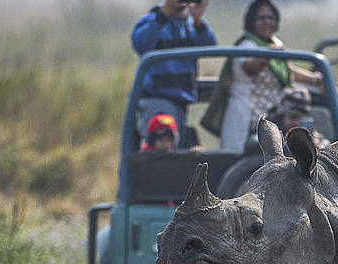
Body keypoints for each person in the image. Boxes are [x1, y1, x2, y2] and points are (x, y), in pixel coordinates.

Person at [202, 0, 322, 152]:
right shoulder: (246, 45)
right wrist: (268, 54)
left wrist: (313, 79)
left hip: (272, 119)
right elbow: (250, 68)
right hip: (245, 118)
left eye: (270, 18)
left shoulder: (275, 43)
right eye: (261, 18)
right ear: (252, 21)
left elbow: (286, 70)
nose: (267, 22)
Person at [131, 0, 217, 148]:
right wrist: (166, 12)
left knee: (176, 152)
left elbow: (210, 47)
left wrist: (197, 20)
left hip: (181, 104)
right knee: (162, 149)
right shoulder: (153, 20)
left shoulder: (190, 25)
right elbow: (141, 44)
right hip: (157, 102)